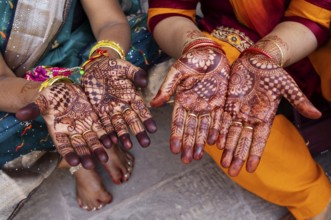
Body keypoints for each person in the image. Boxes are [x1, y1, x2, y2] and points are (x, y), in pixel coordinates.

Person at [147, 0, 331, 219]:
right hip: (236, 34)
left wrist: (268, 53)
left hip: (320, 35)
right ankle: (314, 200)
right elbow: (168, 11)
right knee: (208, 92)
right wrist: (197, 48)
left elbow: (314, 15)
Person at [0, 0, 160, 215]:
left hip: (82, 46)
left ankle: (99, 135)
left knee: (146, 42)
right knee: (38, 115)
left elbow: (110, 22)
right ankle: (73, 156)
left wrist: (103, 61)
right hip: (18, 86)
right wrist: (48, 95)